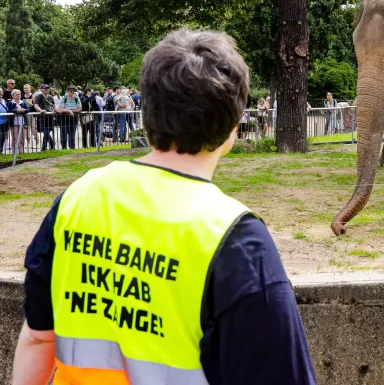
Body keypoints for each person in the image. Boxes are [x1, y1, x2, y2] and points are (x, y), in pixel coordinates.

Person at [14, 29, 317, 385]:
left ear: (147, 113)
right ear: (235, 125)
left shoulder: (78, 197)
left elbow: (38, 337)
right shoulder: (235, 238)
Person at [57, 86, 81, 150]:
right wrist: (68, 111)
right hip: (64, 117)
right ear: (67, 91)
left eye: (73, 91)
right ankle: (64, 147)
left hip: (73, 117)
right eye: (70, 91)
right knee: (63, 133)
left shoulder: (76, 98)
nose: (72, 92)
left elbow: (80, 108)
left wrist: (72, 111)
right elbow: (61, 109)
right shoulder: (63, 98)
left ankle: (72, 147)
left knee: (72, 133)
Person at [32, 84, 55, 151]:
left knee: (47, 132)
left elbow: (54, 106)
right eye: (45, 88)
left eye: (47, 88)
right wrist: (41, 110)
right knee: (45, 132)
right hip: (42, 117)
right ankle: (46, 146)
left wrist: (54, 110)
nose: (46, 89)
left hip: (50, 116)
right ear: (41, 89)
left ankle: (49, 145)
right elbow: (35, 105)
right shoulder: (39, 96)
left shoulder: (51, 97)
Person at [7, 89, 30, 154]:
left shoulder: (23, 102)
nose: (18, 96)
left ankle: (21, 151)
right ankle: (14, 151)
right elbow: (9, 110)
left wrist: (23, 110)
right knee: (15, 138)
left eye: (19, 94)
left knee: (22, 137)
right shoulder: (10, 103)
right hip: (14, 123)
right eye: (17, 94)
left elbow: (28, 110)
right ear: (13, 96)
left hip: (22, 123)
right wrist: (17, 111)